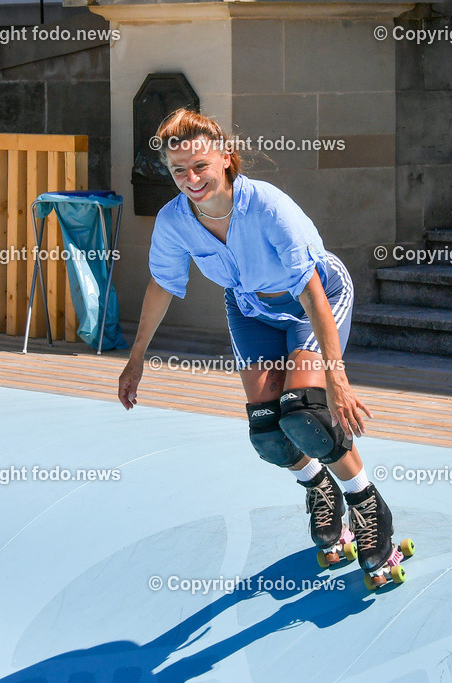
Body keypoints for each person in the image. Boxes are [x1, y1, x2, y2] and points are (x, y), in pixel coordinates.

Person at [117, 109, 399, 577]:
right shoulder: (173, 220)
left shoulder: (268, 207)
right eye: (178, 170)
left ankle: (367, 505)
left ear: (225, 159)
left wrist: (337, 377)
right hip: (250, 307)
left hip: (313, 299)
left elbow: (310, 290)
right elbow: (161, 284)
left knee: (305, 415)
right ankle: (318, 488)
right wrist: (136, 359)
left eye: (200, 166)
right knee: (269, 433)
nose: (191, 178)